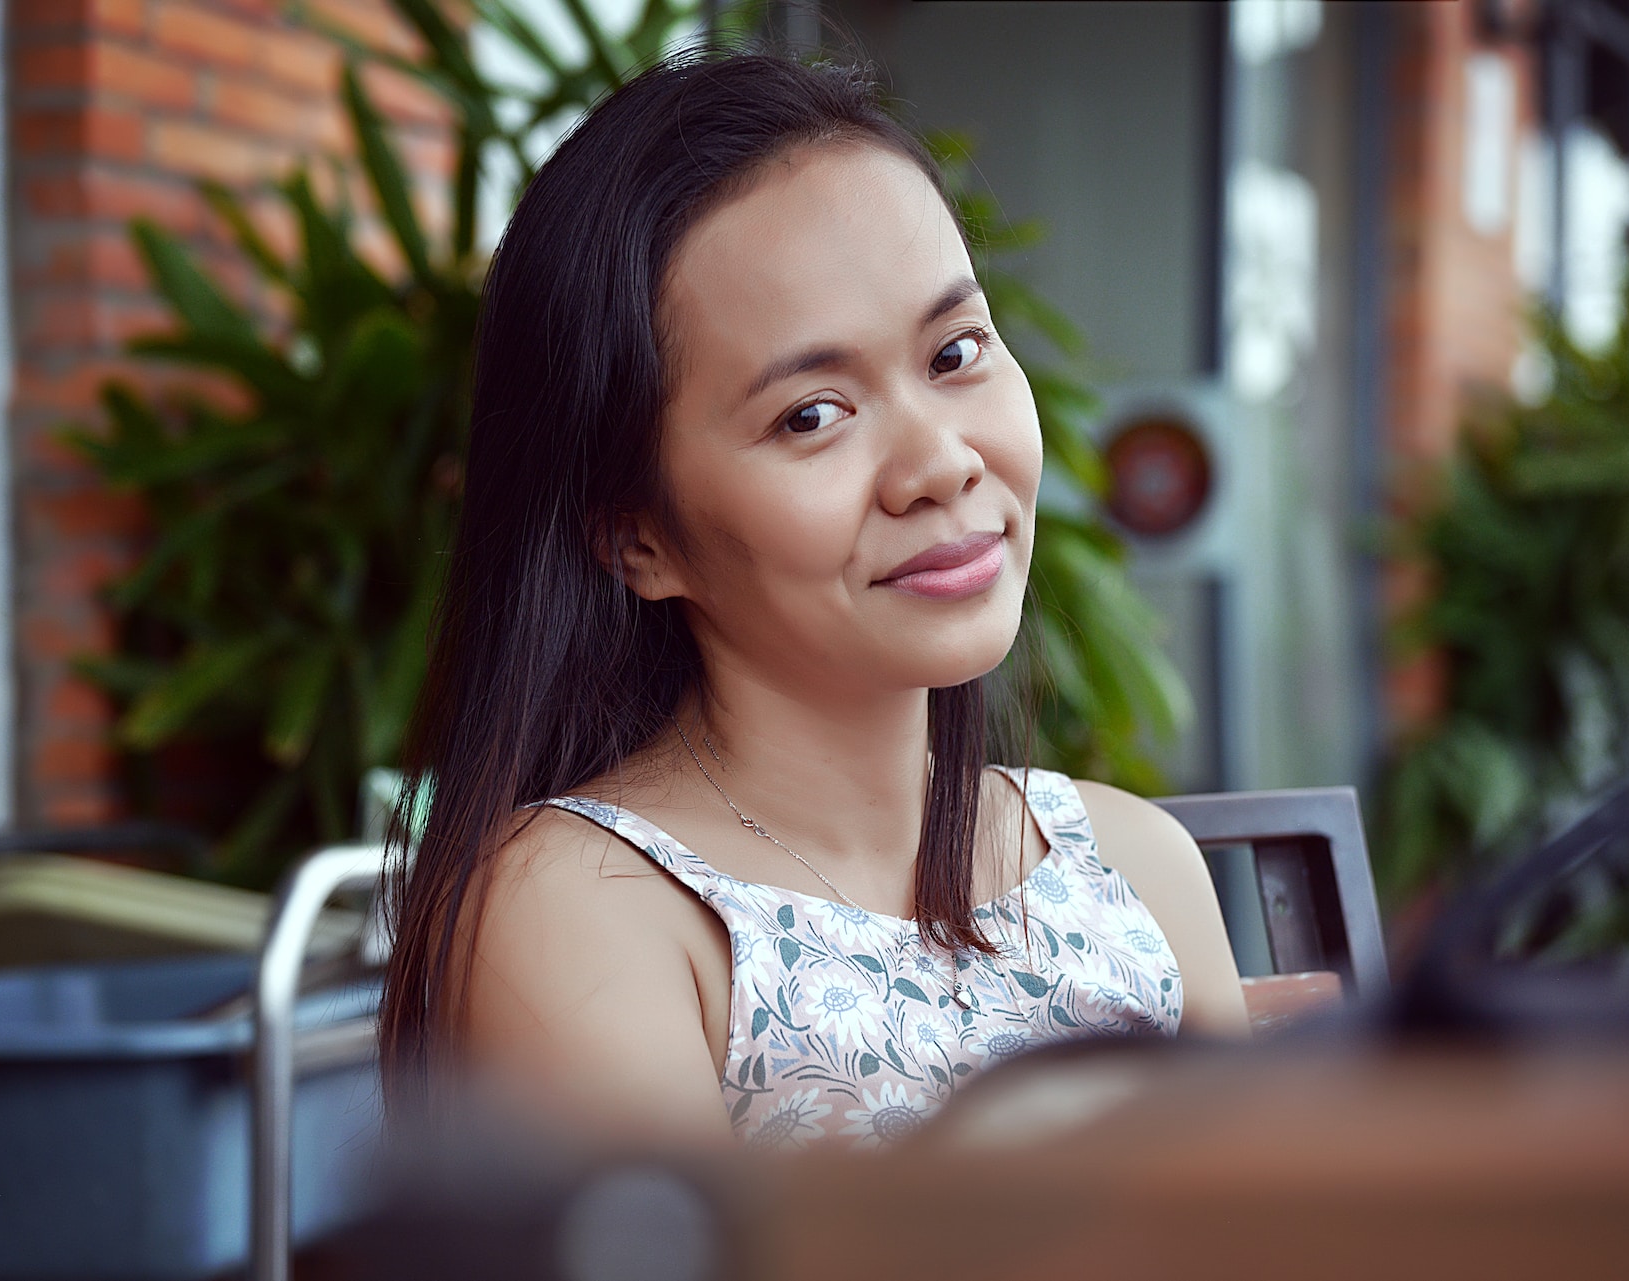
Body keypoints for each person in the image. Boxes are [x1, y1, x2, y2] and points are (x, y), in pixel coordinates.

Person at [379, 48, 1248, 1151]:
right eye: (811, 416)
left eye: (957, 351)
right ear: (636, 537)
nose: (939, 461)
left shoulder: (1137, 867)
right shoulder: (583, 909)